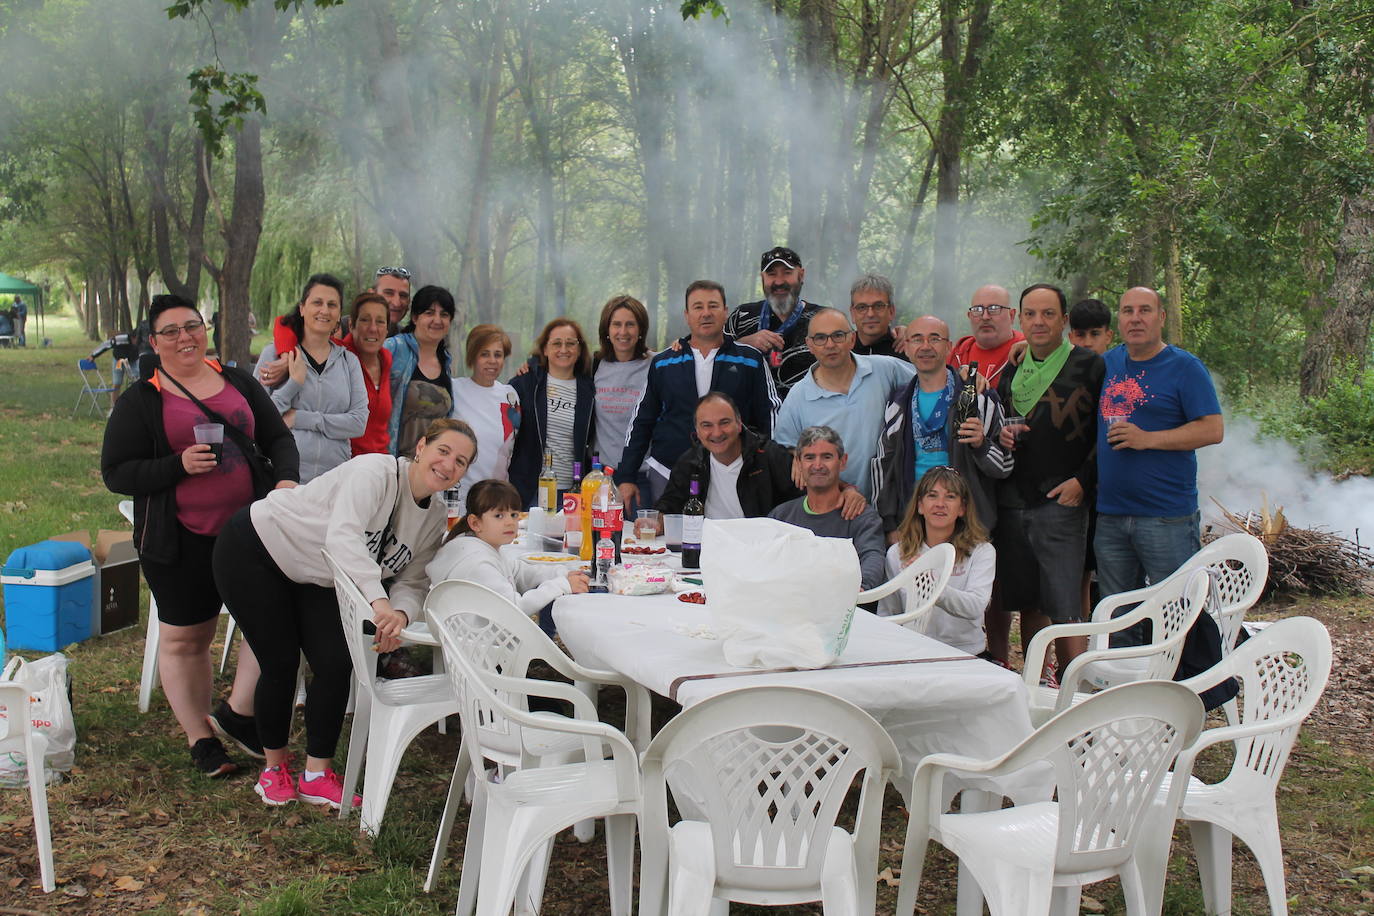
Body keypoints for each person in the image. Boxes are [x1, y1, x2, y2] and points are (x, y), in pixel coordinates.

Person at [212, 418, 475, 807]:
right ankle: (274, 769)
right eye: (444, 451)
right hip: (258, 549)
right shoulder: (375, 472)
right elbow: (343, 538)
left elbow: (413, 580)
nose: (449, 465)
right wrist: (377, 602)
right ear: (420, 447)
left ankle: (317, 774)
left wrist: (398, 614)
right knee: (281, 661)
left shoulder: (434, 516)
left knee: (336, 662)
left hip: (319, 573)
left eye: (462, 461)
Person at [101, 293, 300, 778]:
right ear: (154, 342)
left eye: (191, 326)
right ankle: (201, 739)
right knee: (188, 640)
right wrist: (178, 464)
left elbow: (278, 438)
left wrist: (286, 481)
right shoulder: (141, 400)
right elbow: (117, 472)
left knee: (272, 624)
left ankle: (238, 711)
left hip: (249, 533)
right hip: (180, 539)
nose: (184, 337)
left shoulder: (236, 381)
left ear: (204, 329)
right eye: (170, 331)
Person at [990, 284, 1103, 675]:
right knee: (1029, 602)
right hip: (1014, 498)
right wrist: (1001, 435)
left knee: (1065, 603)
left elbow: (1106, 432)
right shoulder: (1013, 368)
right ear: (1020, 319)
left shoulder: (1089, 365)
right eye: (1031, 314)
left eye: (1048, 314)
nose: (1039, 322)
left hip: (1063, 499)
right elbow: (997, 423)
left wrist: (1084, 482)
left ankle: (1075, 686)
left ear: (1064, 320)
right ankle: (1037, 683)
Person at [1095, 286, 1223, 599]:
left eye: (1145, 310)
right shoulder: (1104, 364)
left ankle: (1188, 652)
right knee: (1117, 617)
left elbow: (1212, 429)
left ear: (1161, 317)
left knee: (1178, 611)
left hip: (1166, 516)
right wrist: (1021, 351)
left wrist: (1148, 439)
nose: (1135, 319)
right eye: (1128, 311)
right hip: (1110, 515)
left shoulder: (1185, 367)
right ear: (1119, 321)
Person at [615, 281, 778, 510]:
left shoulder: (750, 360)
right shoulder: (664, 363)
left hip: (737, 472)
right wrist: (626, 477)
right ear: (687, 315)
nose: (706, 313)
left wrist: (767, 464)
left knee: (732, 541)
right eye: (698, 307)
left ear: (725, 312)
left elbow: (769, 414)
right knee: (669, 541)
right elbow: (642, 421)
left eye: (713, 306)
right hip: (668, 471)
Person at [873, 315, 1012, 538]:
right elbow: (883, 464)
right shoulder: (898, 402)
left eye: (934, 339)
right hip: (912, 521)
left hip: (968, 523)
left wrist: (981, 445)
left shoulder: (979, 397)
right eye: (917, 339)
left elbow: (1005, 466)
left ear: (948, 347)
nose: (926, 346)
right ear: (906, 348)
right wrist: (889, 523)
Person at [773, 308, 914, 500]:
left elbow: (929, 378)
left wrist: (963, 372)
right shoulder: (798, 397)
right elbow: (785, 448)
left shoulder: (885, 369)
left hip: (890, 503)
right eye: (820, 338)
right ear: (810, 345)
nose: (830, 344)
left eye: (838, 335)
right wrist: (795, 457)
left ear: (852, 339)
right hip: (836, 507)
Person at [253, 274, 368, 483]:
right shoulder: (274, 355)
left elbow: (358, 423)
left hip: (333, 482)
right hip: (282, 480)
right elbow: (257, 418)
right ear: (302, 308)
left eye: (332, 305)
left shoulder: (349, 362)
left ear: (339, 313)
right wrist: (293, 384)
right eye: (317, 302)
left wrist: (300, 418)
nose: (324, 310)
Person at [426, 479, 589, 613]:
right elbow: (515, 608)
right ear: (475, 523)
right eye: (499, 516)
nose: (510, 522)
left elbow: (521, 573)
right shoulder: (478, 563)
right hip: (480, 646)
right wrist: (561, 585)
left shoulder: (485, 546)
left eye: (514, 515)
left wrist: (563, 573)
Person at [884, 466, 995, 656]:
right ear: (920, 505)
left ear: (962, 508)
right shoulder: (897, 553)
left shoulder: (982, 551)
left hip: (965, 654)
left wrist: (933, 586)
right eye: (932, 496)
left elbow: (976, 607)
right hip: (913, 653)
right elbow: (888, 612)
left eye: (950, 496)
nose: (940, 504)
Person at [769, 426, 887, 592]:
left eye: (826, 457)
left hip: (847, 609)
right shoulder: (780, 516)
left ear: (843, 461)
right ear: (798, 463)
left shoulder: (862, 516)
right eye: (810, 457)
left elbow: (872, 556)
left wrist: (861, 587)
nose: (818, 465)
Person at [657, 392, 800, 520]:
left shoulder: (770, 456)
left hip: (762, 544)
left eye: (724, 423)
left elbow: (798, 506)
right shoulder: (690, 462)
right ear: (698, 431)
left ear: (739, 424)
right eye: (707, 425)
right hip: (708, 543)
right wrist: (656, 521)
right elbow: (669, 505)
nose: (717, 433)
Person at [508, 318, 596, 507]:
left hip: (572, 491)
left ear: (579, 350)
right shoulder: (525, 385)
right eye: (556, 343)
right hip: (530, 490)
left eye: (571, 343)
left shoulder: (590, 391)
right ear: (545, 350)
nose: (563, 349)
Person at [725, 246, 826, 399]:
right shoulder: (742, 316)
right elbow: (712, 358)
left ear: (801, 275)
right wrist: (743, 344)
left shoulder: (823, 318)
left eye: (787, 273)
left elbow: (845, 362)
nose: (779, 281)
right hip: (749, 420)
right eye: (771, 274)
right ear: (762, 278)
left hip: (809, 417)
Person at [450, 324, 521, 512]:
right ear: (473, 356)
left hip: (496, 499)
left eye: (497, 355)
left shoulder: (510, 395)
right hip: (459, 498)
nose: (492, 361)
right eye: (484, 354)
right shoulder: (455, 389)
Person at [384, 285, 456, 459]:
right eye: (429, 313)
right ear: (415, 317)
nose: (437, 320)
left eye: (444, 314)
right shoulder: (393, 349)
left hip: (426, 468)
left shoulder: (446, 362)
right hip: (391, 464)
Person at [592, 295, 654, 474]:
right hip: (602, 473)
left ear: (641, 329)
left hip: (643, 474)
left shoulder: (657, 364)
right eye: (617, 324)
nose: (623, 332)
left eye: (630, 324)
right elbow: (557, 365)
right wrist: (531, 365)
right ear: (607, 329)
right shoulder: (594, 365)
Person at [340, 292, 394, 456]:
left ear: (386, 329)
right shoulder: (337, 355)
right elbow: (285, 324)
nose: (372, 328)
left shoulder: (386, 359)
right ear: (351, 325)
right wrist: (286, 354)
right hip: (343, 466)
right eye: (364, 320)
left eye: (380, 321)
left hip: (379, 466)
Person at [948, 284, 1026, 390]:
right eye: (977, 310)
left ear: (1011, 315)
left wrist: (1038, 349)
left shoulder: (1030, 350)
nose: (985, 317)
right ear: (970, 316)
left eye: (994, 309)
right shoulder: (956, 355)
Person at [848, 274, 907, 359]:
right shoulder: (842, 352)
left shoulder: (908, 350)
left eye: (878, 306)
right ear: (853, 314)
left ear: (891, 311)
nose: (870, 314)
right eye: (862, 307)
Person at [373, 266, 413, 333]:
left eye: (403, 295)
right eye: (389, 293)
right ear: (372, 295)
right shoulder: (350, 328)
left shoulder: (407, 339)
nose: (396, 303)